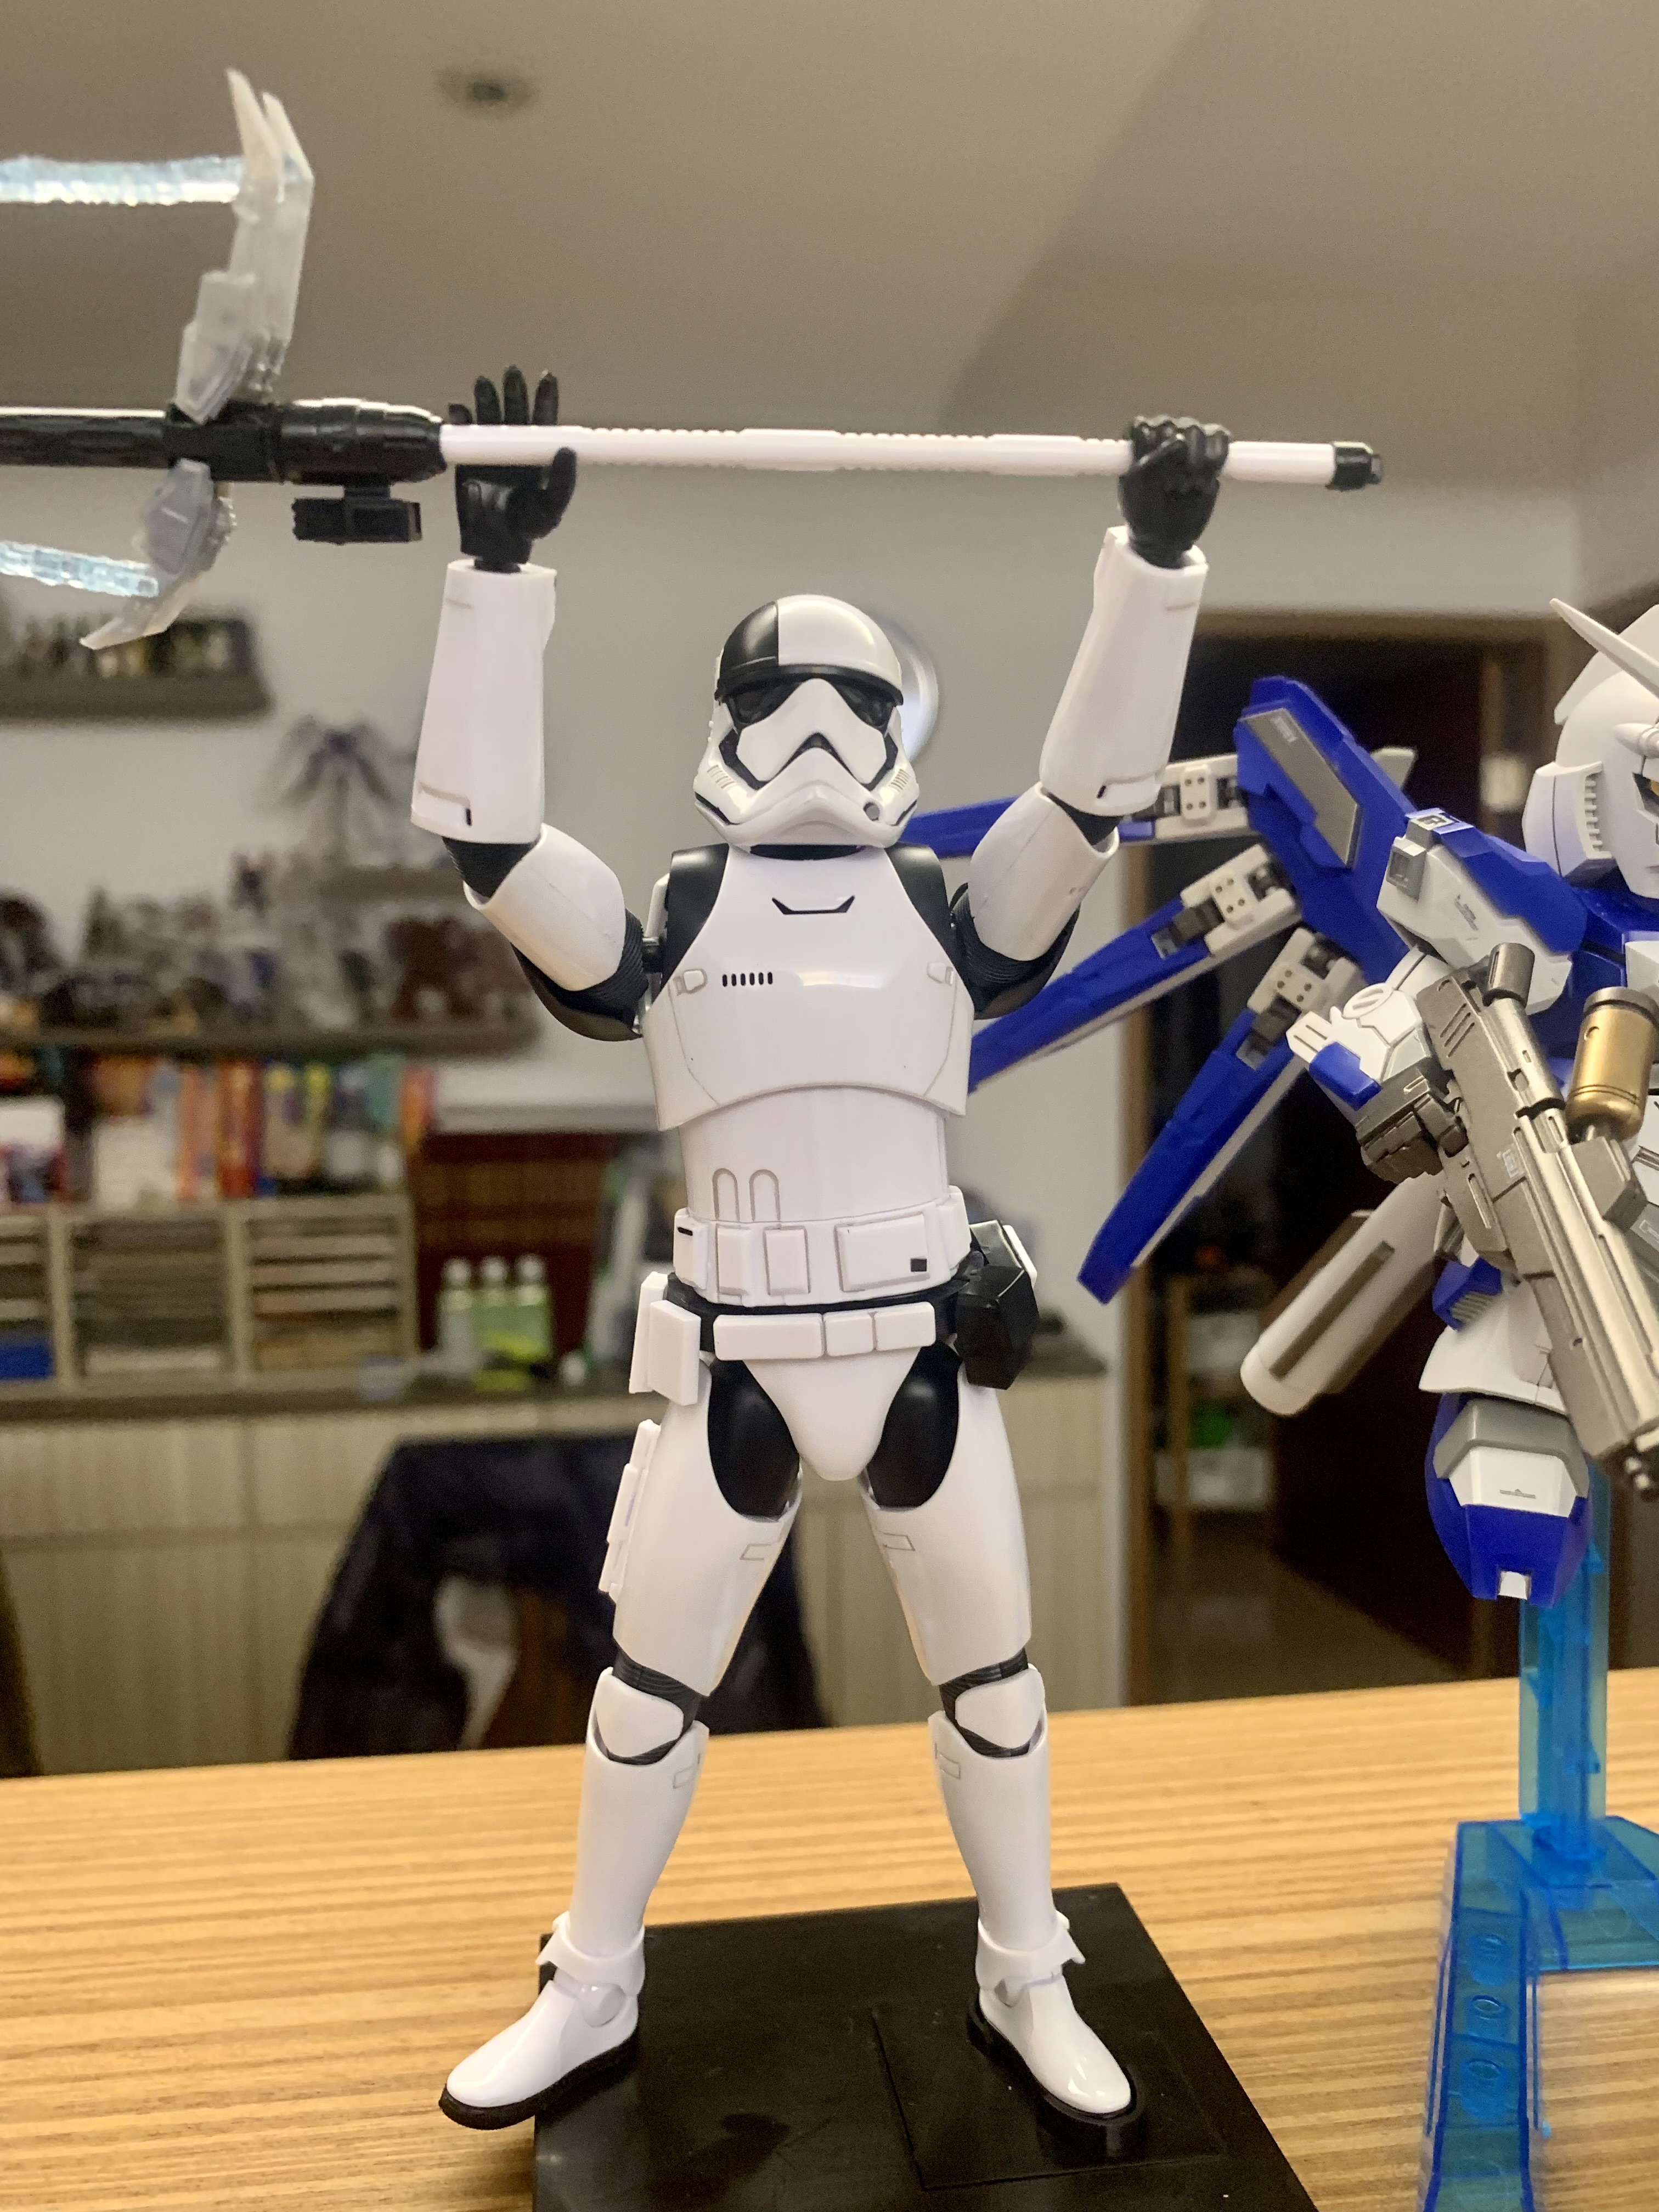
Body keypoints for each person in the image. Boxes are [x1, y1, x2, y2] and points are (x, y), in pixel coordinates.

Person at [411, 367, 1227, 2129]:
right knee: (649, 1691)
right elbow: (487, 839)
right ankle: (593, 1981)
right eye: (776, 701)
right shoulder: (676, 915)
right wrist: (495, 578)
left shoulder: (945, 910)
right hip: (740, 1358)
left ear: (893, 728)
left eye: (847, 704)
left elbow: (1086, 802)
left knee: (994, 1687)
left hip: (918, 1346)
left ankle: (1025, 1972)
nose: (809, 735)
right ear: (725, 724)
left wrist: (1155, 569)